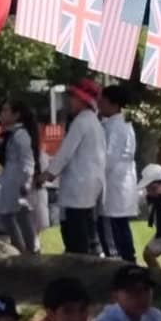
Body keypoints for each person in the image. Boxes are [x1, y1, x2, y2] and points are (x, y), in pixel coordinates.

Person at [47, 79, 107, 255]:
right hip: (90, 185)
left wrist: (49, 174)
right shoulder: (95, 123)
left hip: (78, 185)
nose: (69, 101)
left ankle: (79, 265)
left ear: (82, 100)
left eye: (73, 97)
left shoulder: (81, 122)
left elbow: (65, 152)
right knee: (87, 230)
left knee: (76, 233)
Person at [98, 86, 139, 261]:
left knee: (111, 225)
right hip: (121, 181)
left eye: (103, 101)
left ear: (113, 104)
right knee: (120, 225)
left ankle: (118, 260)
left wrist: (95, 175)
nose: (99, 104)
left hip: (115, 182)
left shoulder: (115, 127)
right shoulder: (121, 125)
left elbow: (109, 156)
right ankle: (128, 259)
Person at [0, 102, 41, 254]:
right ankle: (22, 250)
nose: (2, 113)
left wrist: (27, 182)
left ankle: (31, 250)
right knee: (8, 216)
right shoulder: (13, 133)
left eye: (6, 110)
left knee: (20, 216)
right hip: (10, 179)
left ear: (16, 115)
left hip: (17, 180)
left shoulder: (21, 134)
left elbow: (28, 160)